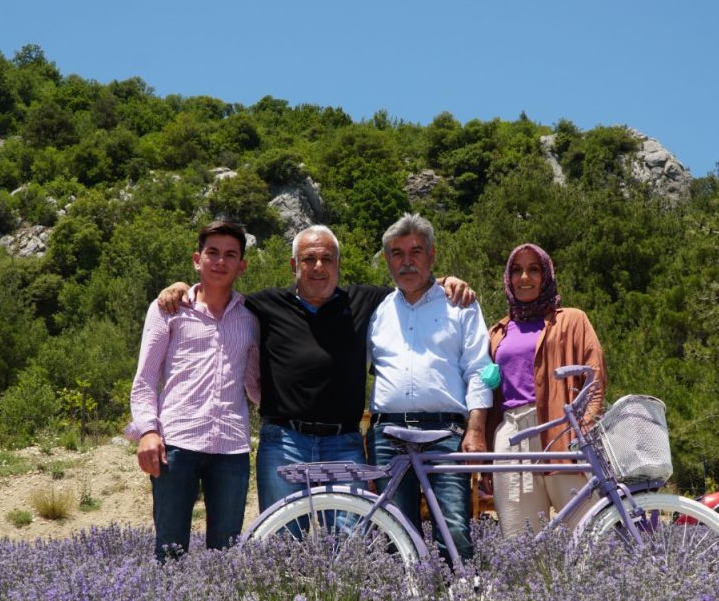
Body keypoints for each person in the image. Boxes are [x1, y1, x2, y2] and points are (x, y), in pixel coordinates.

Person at [156, 225, 476, 513]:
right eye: (309, 259)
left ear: (338, 264)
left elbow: (414, 286)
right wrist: (182, 287)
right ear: (294, 266)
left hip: (344, 443)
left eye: (327, 259)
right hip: (284, 442)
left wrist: (446, 281)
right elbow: (218, 295)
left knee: (347, 541)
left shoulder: (366, 301)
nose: (318, 267)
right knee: (285, 540)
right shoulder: (265, 305)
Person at [126, 220, 260, 562]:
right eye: (212, 253)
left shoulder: (251, 318)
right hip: (177, 445)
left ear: (241, 266)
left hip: (231, 448)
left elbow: (255, 385)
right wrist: (148, 432)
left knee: (226, 555)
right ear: (196, 259)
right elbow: (144, 380)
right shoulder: (167, 309)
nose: (220, 261)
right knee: (170, 552)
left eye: (231, 255)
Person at [367, 213, 493, 563]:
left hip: (446, 432)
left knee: (453, 528)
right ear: (387, 259)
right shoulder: (375, 310)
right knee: (395, 532)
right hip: (387, 436)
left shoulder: (460, 304)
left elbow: (479, 369)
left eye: (416, 251)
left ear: (432, 255)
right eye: (397, 253)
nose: (406, 261)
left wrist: (477, 428)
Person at [485, 242, 606, 538]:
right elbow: (487, 398)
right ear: (508, 279)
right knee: (520, 539)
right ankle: (527, 588)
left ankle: (587, 587)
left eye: (533, 269)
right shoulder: (497, 332)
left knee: (585, 535)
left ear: (546, 275)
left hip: (563, 434)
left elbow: (595, 377)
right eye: (517, 270)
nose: (524, 278)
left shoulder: (573, 320)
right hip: (512, 437)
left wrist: (585, 429)